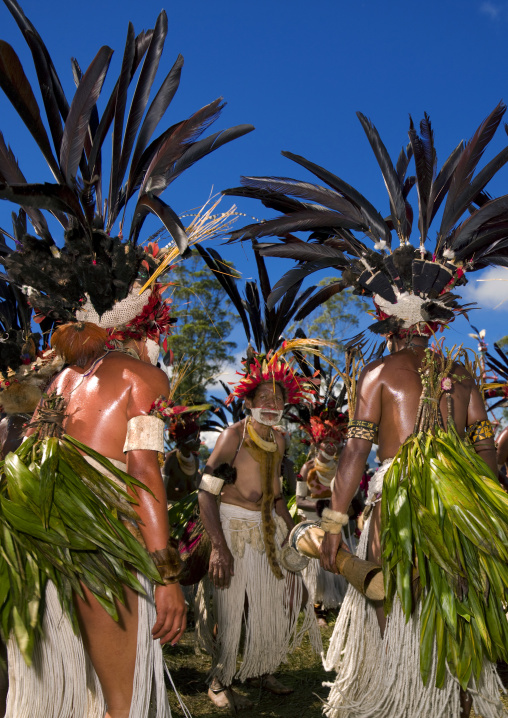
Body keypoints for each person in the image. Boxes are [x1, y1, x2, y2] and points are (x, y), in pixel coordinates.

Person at [223, 104, 508, 717]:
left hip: (399, 500)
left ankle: (402, 694)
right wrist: (481, 516)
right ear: (434, 318)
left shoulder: (378, 373)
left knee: (390, 599)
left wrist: (332, 524)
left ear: (386, 317)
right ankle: (459, 698)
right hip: (464, 511)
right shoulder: (463, 377)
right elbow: (488, 460)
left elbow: (355, 451)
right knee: (456, 598)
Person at [197, 349, 321, 713]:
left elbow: (278, 495)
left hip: (269, 527)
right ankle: (219, 678)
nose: (271, 403)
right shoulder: (233, 436)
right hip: (232, 526)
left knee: (271, 604)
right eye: (263, 397)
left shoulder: (280, 441)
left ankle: (259, 667)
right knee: (232, 606)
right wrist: (218, 547)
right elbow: (206, 493)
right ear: (248, 401)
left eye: (278, 398)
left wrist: (291, 530)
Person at [164, 413, 202, 502]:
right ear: (183, 439)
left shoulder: (195, 461)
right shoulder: (171, 458)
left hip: (185, 511)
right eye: (195, 437)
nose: (199, 441)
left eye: (198, 437)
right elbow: (160, 488)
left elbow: (194, 490)